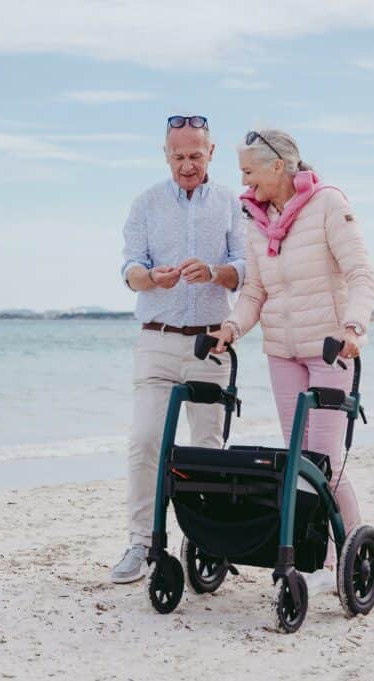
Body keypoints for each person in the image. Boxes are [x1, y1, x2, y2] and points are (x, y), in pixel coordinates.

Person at [210, 128, 374, 594]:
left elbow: (361, 274)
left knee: (325, 463)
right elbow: (255, 292)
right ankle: (312, 553)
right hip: (282, 352)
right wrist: (231, 329)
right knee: (299, 462)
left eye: (248, 170)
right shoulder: (255, 217)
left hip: (330, 349)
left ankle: (344, 557)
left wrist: (354, 328)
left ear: (278, 167)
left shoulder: (327, 204)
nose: (244, 180)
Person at [111, 114, 247, 584]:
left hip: (211, 342)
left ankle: (207, 543)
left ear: (210, 153)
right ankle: (141, 543)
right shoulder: (145, 203)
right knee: (146, 440)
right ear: (165, 155)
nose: (187, 165)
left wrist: (213, 272)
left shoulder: (232, 203)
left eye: (195, 155)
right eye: (178, 156)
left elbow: (245, 269)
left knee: (207, 449)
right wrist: (151, 278)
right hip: (156, 340)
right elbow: (129, 267)